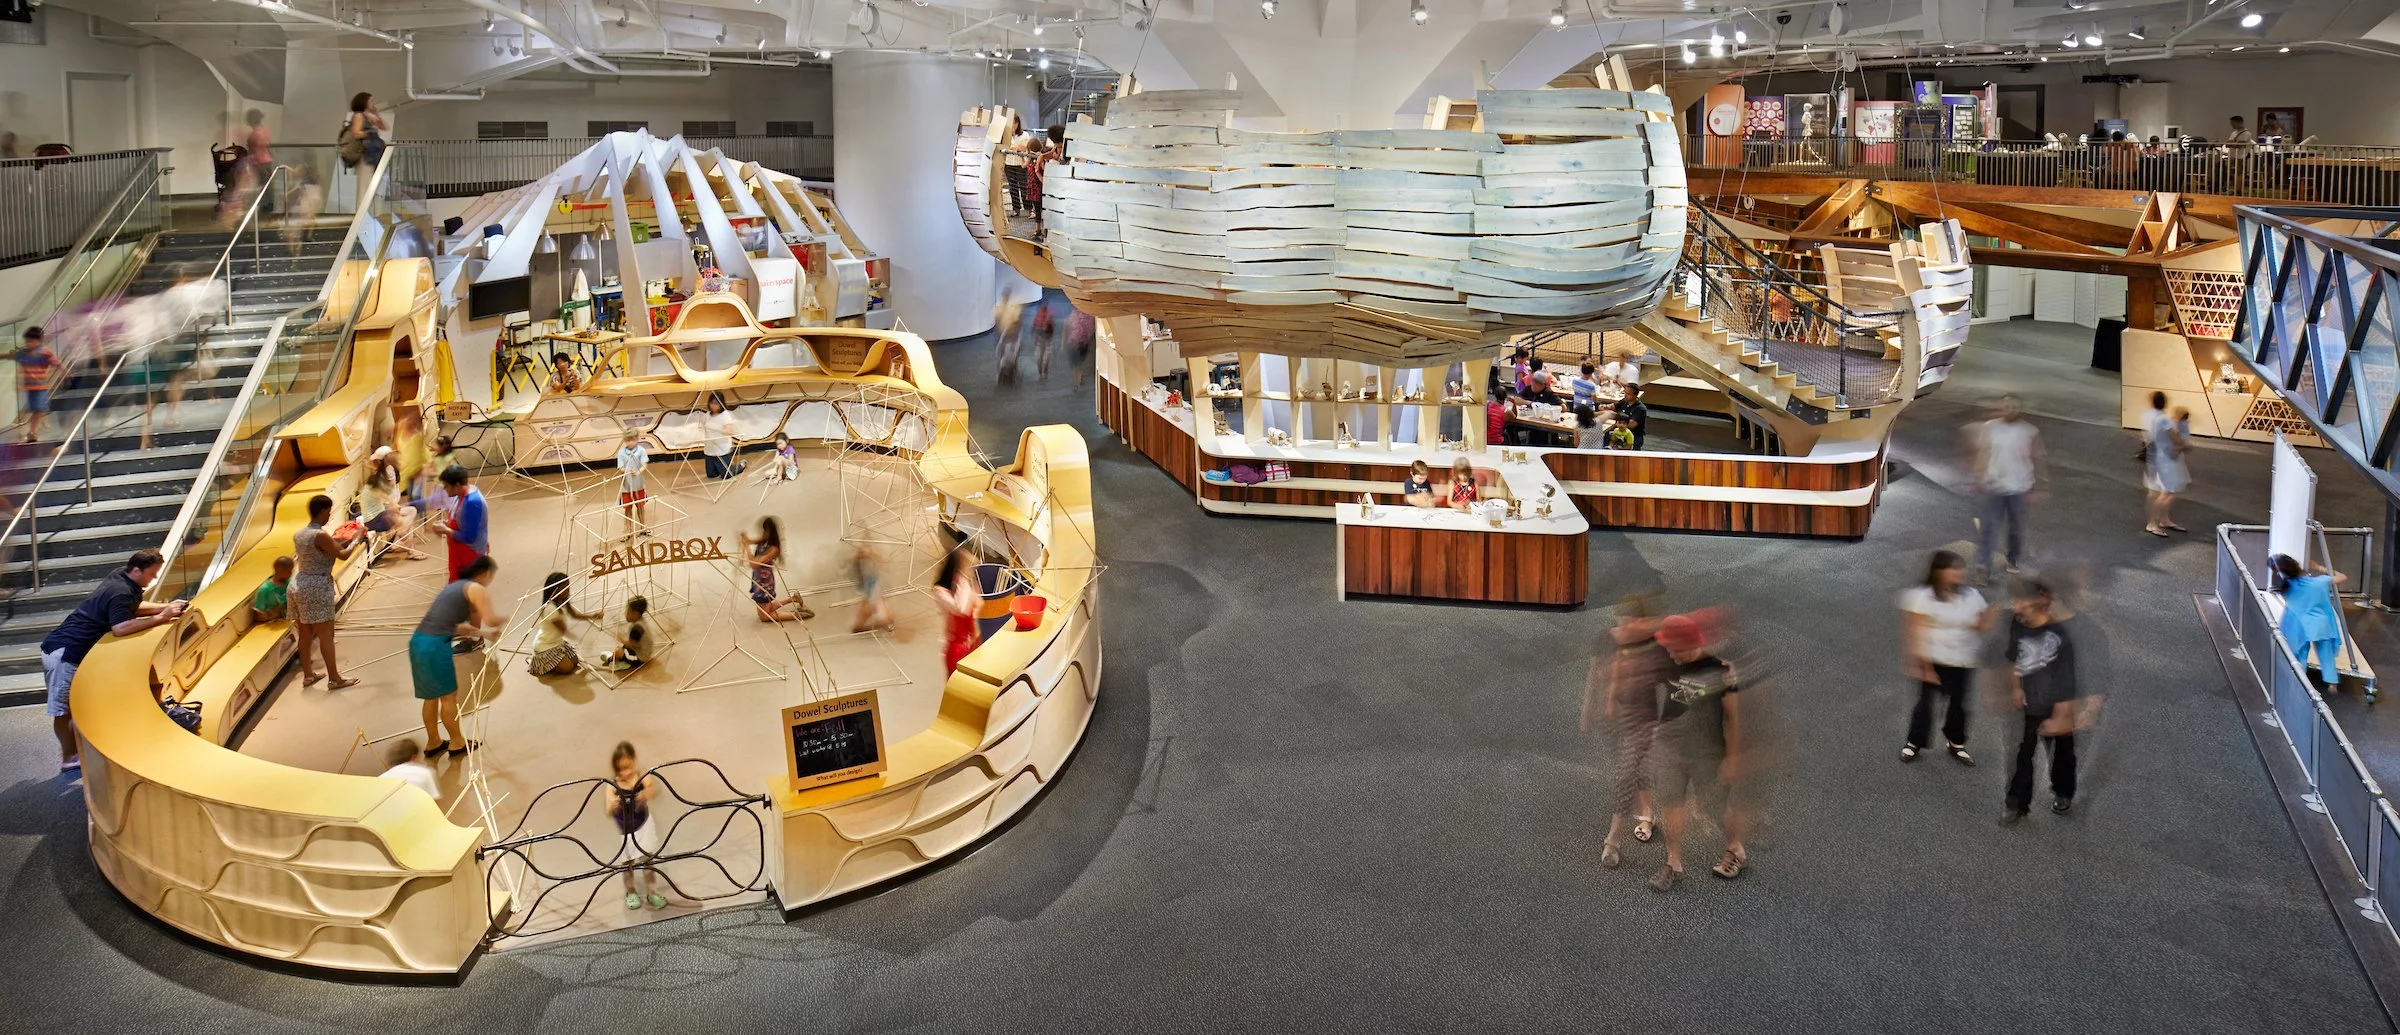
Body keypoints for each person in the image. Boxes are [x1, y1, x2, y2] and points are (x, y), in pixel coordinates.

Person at [41, 550, 188, 772]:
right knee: (63, 710)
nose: (154, 579)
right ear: (137, 570)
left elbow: (129, 609)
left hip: (74, 651)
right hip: (65, 652)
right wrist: (161, 617)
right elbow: (119, 628)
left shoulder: (121, 576)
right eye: (151, 574)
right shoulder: (121, 590)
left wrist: (163, 608)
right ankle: (69, 758)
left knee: (80, 705)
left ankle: (78, 750)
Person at [1646, 613, 1747, 891]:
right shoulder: (1667, 660)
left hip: (1707, 752)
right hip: (1671, 749)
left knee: (1717, 807)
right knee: (1671, 804)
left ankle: (1735, 849)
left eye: (1675, 650)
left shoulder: (1721, 671)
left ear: (1692, 646)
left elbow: (1734, 721)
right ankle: (1673, 863)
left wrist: (1733, 759)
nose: (1671, 655)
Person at [1583, 601, 1665, 870]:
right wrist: (1586, 708)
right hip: (1611, 718)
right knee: (1635, 769)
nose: (1625, 627)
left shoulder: (1652, 646)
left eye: (1631, 622)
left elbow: (1676, 680)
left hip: (1641, 720)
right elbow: (1593, 676)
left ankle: (1613, 840)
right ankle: (1648, 815)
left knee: (1625, 774)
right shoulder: (1605, 639)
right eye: (1621, 621)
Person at [2002, 579, 2083, 823]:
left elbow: (2066, 682)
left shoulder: (2059, 637)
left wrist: (2059, 718)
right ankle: (2017, 803)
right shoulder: (2017, 623)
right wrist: (2016, 688)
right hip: (2030, 703)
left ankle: (2063, 791)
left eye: (2022, 602)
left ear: (2038, 602)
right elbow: (2013, 658)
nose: (2017, 607)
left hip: (2056, 702)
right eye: (2014, 601)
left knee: (2062, 753)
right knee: (2023, 753)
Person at [1899, 549, 1989, 765]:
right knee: (1926, 704)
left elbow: (1978, 626)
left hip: (1962, 660)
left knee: (1959, 704)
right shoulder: (1923, 597)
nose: (1959, 572)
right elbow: (1915, 631)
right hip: (1934, 660)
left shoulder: (1971, 596)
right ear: (1939, 571)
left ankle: (1956, 742)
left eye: (1960, 568)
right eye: (1953, 568)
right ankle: (1914, 742)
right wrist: (1922, 666)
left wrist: (1987, 620)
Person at [411, 555, 500, 755]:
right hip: (436, 646)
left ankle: (433, 741)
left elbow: (457, 627)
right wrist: (501, 620)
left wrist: (485, 634)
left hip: (418, 643)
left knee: (431, 697)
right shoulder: (476, 588)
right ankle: (457, 741)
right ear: (485, 574)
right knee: (448, 696)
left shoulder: (453, 588)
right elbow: (490, 618)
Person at [291, 494, 362, 689]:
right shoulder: (320, 535)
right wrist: (357, 538)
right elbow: (342, 555)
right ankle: (334, 679)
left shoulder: (299, 534)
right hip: (317, 587)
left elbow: (320, 550)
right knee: (326, 636)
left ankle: (308, 676)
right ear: (322, 511)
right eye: (328, 512)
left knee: (305, 636)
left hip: (299, 585)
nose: (329, 516)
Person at [1972, 396, 2042, 574]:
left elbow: (2037, 458)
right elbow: (1983, 452)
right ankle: (1982, 565)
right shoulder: (1990, 427)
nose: (2010, 410)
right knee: (1988, 527)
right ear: (2002, 408)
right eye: (2006, 406)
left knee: (2016, 529)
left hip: (2020, 487)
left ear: (2020, 410)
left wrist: (2040, 485)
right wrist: (1978, 476)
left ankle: (2014, 559)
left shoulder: (2030, 431)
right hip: (1995, 486)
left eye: (2014, 407)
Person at [605, 741, 669, 911]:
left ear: (634, 760)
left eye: (628, 767)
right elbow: (608, 810)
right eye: (621, 769)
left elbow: (651, 789)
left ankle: (652, 891)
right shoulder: (612, 784)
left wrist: (645, 795)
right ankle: (631, 891)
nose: (625, 772)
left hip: (643, 825)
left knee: (647, 860)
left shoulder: (642, 775)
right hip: (625, 830)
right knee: (627, 863)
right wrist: (613, 804)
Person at [2275, 553, 2348, 693]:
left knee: (2300, 653)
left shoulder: (2287, 586)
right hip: (2320, 624)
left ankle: (2300, 681)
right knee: (2325, 653)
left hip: (2300, 625)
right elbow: (2342, 577)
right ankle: (2332, 683)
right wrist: (2319, 567)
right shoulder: (2320, 582)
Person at [360, 447, 427, 561]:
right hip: (373, 519)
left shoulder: (380, 475)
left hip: (381, 512)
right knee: (400, 519)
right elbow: (390, 503)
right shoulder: (380, 478)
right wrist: (396, 514)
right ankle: (410, 549)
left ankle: (400, 535)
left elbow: (389, 500)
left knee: (411, 510)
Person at [741, 516, 812, 622]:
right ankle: (793, 599)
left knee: (764, 617)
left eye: (765, 530)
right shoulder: (763, 540)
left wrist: (746, 547)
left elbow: (754, 564)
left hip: (764, 583)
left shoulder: (774, 549)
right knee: (766, 610)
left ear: (770, 532)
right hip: (758, 580)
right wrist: (744, 537)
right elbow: (749, 541)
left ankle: (797, 616)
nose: (763, 533)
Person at [528, 571, 598, 676]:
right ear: (554, 589)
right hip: (545, 645)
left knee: (575, 661)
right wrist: (583, 641)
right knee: (567, 668)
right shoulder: (550, 608)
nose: (567, 590)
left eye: (568, 586)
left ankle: (552, 661)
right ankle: (537, 661)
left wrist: (593, 616)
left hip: (557, 642)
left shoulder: (563, 599)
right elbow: (564, 631)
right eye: (564, 587)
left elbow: (574, 615)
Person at [2142, 391, 2189, 537]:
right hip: (2166, 461)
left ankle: (2163, 520)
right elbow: (2175, 438)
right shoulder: (2163, 419)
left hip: (2157, 458)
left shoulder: (2151, 416)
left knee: (2159, 492)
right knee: (2169, 492)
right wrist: (2183, 443)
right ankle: (2153, 523)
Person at [432, 466, 490, 584]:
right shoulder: (462, 494)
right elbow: (461, 521)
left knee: (465, 591)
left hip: (469, 555)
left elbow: (470, 537)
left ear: (457, 485)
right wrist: (447, 524)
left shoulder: (472, 502)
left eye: (447, 486)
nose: (444, 489)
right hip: (460, 553)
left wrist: (446, 530)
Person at [932, 546, 980, 674]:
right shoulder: (940, 591)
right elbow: (960, 608)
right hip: (956, 647)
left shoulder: (962, 584)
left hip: (971, 642)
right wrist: (962, 577)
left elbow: (976, 603)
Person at [10, 325, 54, 442]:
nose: (28, 343)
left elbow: (49, 366)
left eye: (31, 341)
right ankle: (39, 422)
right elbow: (21, 367)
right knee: (35, 407)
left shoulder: (43, 353)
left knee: (37, 407)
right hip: (30, 385)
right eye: (27, 341)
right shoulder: (26, 354)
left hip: (39, 385)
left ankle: (32, 431)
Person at [850, 541, 893, 633]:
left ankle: (885, 621)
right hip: (869, 584)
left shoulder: (865, 560)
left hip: (871, 584)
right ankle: (885, 621)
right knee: (874, 603)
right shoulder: (861, 561)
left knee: (875, 603)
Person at [342, 92, 389, 172]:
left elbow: (385, 127)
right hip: (365, 154)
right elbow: (356, 133)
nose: (373, 103)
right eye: (371, 101)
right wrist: (369, 134)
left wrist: (377, 114)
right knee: (366, 180)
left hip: (373, 154)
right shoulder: (359, 115)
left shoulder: (369, 116)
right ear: (364, 102)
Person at [281, 163, 323, 250]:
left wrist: (287, 194)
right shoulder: (314, 180)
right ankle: (308, 235)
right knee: (310, 216)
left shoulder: (305, 181)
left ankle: (306, 234)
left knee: (307, 216)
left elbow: (298, 188)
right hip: (312, 198)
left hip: (308, 198)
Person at [700, 396, 743, 480]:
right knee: (711, 475)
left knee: (727, 475)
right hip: (710, 449)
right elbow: (703, 428)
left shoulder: (725, 415)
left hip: (721, 448)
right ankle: (721, 467)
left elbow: (729, 431)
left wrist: (715, 427)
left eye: (716, 403)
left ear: (721, 404)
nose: (713, 406)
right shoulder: (707, 415)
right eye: (711, 403)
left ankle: (741, 465)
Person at [242, 109, 275, 215]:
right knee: (267, 186)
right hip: (268, 161)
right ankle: (268, 207)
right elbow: (268, 147)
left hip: (258, 164)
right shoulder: (265, 130)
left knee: (258, 187)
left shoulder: (253, 135)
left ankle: (260, 209)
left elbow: (253, 154)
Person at [614, 430, 649, 530]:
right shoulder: (621, 453)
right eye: (628, 440)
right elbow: (620, 467)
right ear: (625, 440)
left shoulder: (641, 450)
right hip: (626, 486)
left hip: (639, 485)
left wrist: (638, 471)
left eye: (633, 439)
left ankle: (643, 527)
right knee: (628, 508)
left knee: (640, 506)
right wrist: (627, 470)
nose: (630, 442)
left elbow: (644, 464)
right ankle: (627, 529)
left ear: (637, 439)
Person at [606, 596, 651, 671]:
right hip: (637, 649)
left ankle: (624, 662)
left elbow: (632, 644)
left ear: (635, 614)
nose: (625, 613)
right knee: (620, 649)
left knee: (620, 651)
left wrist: (620, 638)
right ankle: (615, 657)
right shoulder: (638, 622)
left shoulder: (637, 628)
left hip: (641, 657)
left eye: (627, 611)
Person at [252, 556, 294, 624]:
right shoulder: (265, 589)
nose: (291, 573)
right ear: (281, 571)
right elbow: (259, 615)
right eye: (289, 571)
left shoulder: (289, 583)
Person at [993, 298, 1023, 384]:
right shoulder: (1002, 310)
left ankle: (1009, 376)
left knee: (1010, 360)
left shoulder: (1011, 314)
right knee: (1006, 360)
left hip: (1010, 343)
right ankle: (1005, 376)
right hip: (1006, 341)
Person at [1066, 307, 1097, 388]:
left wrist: (1064, 342)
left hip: (1072, 342)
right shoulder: (1089, 316)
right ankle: (1079, 379)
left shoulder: (1073, 315)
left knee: (1074, 363)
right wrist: (1089, 340)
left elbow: (1068, 327)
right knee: (1081, 362)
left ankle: (1075, 381)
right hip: (1083, 343)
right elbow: (1091, 329)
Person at [1003, 130, 1032, 216]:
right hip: (1008, 164)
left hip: (1020, 164)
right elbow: (1004, 147)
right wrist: (1015, 148)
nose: (1013, 126)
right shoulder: (1006, 135)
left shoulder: (1024, 134)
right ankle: (1016, 209)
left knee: (1024, 187)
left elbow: (1024, 148)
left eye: (1015, 123)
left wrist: (1014, 148)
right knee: (1013, 187)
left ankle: (1029, 209)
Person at [1614, 385, 1649, 450]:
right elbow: (1614, 406)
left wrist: (1615, 418)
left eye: (1628, 394)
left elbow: (1632, 424)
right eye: (1625, 393)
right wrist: (1605, 406)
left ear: (1635, 395)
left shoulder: (1640, 409)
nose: (1625, 395)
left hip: (1634, 436)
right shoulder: (1624, 401)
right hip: (1621, 433)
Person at [1032, 302, 1057, 382]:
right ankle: (1043, 372)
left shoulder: (1043, 316)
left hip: (1044, 340)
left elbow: (1034, 327)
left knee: (1042, 357)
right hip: (1044, 340)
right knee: (1042, 357)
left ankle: (1043, 372)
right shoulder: (1044, 316)